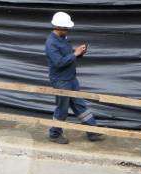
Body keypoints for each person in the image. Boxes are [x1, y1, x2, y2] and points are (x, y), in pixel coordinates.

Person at [44, 12, 105, 144]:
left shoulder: (63, 39)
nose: (68, 30)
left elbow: (68, 56)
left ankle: (92, 131)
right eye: (66, 28)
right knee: (62, 108)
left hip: (71, 78)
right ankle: (54, 134)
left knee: (79, 105)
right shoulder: (51, 43)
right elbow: (59, 62)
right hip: (61, 81)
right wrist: (75, 54)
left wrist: (78, 53)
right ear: (58, 27)